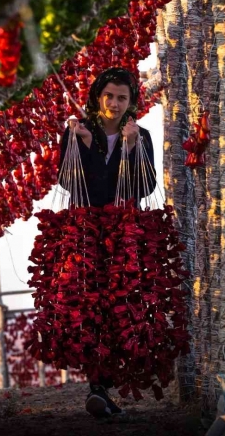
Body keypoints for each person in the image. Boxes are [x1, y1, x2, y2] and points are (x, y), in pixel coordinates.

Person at [58, 67, 157, 418]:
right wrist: (85, 146)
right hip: (87, 234)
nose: (114, 104)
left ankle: (103, 387)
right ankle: (97, 387)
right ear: (98, 96)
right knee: (91, 306)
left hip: (124, 235)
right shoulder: (77, 133)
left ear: (131, 103)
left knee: (123, 307)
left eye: (122, 98)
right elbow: (73, 184)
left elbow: (144, 187)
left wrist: (130, 148)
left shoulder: (140, 136)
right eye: (109, 96)